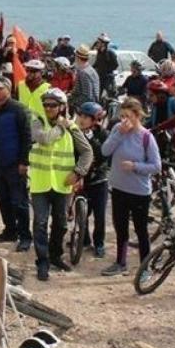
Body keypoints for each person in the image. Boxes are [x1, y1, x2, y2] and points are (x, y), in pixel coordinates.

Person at [28, 88, 93, 281]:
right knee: (39, 223)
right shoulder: (37, 123)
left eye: (53, 105)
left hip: (62, 185)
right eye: (46, 104)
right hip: (40, 183)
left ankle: (55, 255)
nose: (48, 108)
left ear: (62, 107)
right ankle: (42, 261)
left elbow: (87, 152)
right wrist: (61, 127)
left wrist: (78, 172)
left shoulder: (73, 129)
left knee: (61, 224)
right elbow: (43, 139)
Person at [100, 97, 161, 277]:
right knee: (121, 228)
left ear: (137, 115)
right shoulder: (117, 131)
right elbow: (105, 151)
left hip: (139, 191)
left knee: (141, 230)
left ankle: (145, 267)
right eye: (122, 116)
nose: (124, 120)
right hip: (119, 188)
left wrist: (136, 167)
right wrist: (119, 133)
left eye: (128, 116)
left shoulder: (146, 137)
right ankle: (120, 262)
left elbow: (156, 166)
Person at [0, 76, 33, 253]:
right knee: (3, 200)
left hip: (14, 163)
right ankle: (10, 231)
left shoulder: (19, 110)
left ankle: (25, 236)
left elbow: (27, 137)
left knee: (19, 201)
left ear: (8, 90)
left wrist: (24, 161)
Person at [76, 101, 110, 258]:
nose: (81, 119)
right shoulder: (74, 132)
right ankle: (84, 239)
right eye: (80, 115)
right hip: (81, 179)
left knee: (99, 215)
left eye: (86, 117)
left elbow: (104, 155)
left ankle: (99, 243)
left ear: (95, 120)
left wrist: (90, 139)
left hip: (99, 179)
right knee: (81, 213)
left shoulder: (102, 134)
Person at [69, 45, 100, 113]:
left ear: (78, 58)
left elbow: (87, 96)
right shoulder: (91, 70)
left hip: (86, 110)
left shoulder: (84, 73)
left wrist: (72, 101)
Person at [92, 33, 118, 98]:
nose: (97, 44)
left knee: (111, 95)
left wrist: (106, 70)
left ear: (103, 44)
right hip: (100, 77)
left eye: (99, 42)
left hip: (108, 78)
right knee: (97, 95)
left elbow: (115, 65)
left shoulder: (110, 53)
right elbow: (97, 63)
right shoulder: (99, 52)